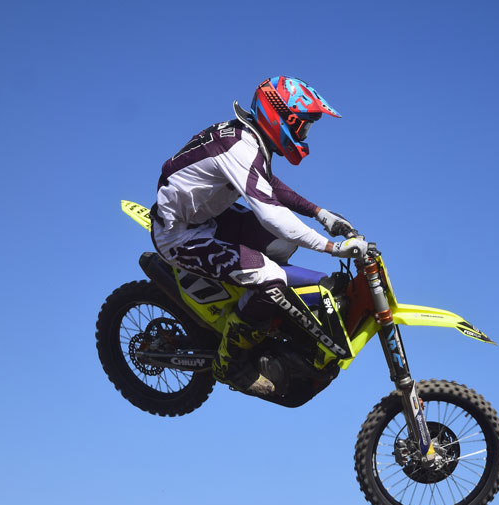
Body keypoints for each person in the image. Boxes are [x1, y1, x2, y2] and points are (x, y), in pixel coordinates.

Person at [150, 76, 368, 395]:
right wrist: (332, 247)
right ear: (281, 116)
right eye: (303, 126)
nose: (305, 135)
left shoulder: (248, 138)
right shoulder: (240, 147)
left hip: (209, 218)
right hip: (179, 234)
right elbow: (272, 214)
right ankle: (230, 363)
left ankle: (256, 309)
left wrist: (320, 213)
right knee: (271, 277)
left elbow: (268, 183)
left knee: (283, 243)